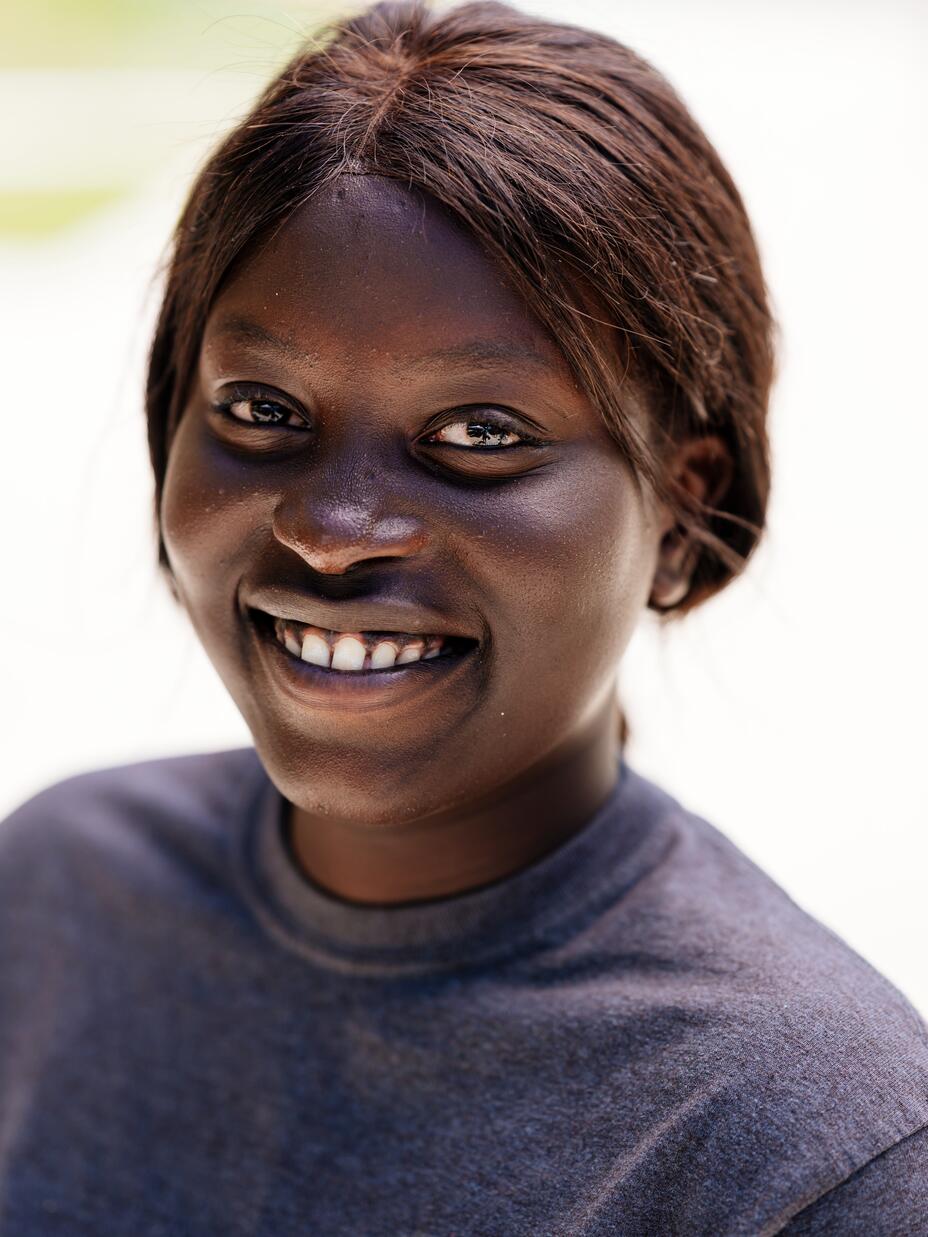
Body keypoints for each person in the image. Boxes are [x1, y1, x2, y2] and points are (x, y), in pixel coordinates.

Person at [2, 1, 926, 1232]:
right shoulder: (64, 889)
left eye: (481, 436)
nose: (331, 528)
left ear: (681, 512)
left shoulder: (811, 1146)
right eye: (263, 410)